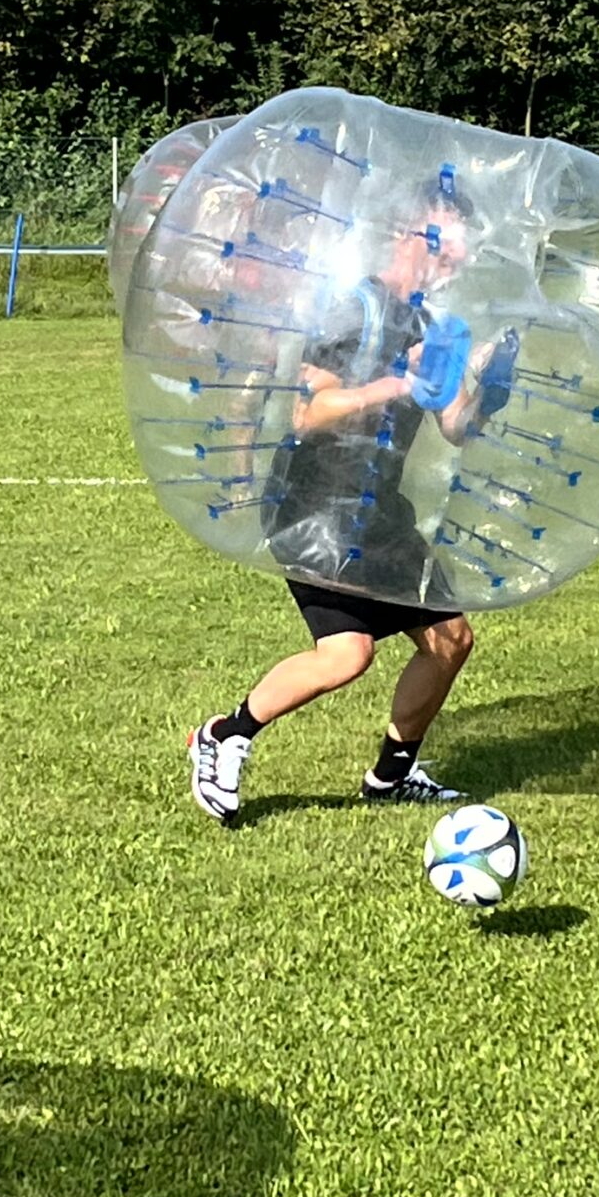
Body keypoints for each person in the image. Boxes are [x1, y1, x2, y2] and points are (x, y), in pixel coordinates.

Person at [188, 192, 499, 827]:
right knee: (347, 653)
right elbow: (310, 411)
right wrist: (396, 382)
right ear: (408, 235)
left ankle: (392, 774)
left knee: (451, 641)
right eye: (446, 246)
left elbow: (453, 426)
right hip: (315, 510)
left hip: (379, 510)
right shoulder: (351, 308)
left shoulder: (431, 327)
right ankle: (224, 735)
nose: (454, 262)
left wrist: (486, 393)